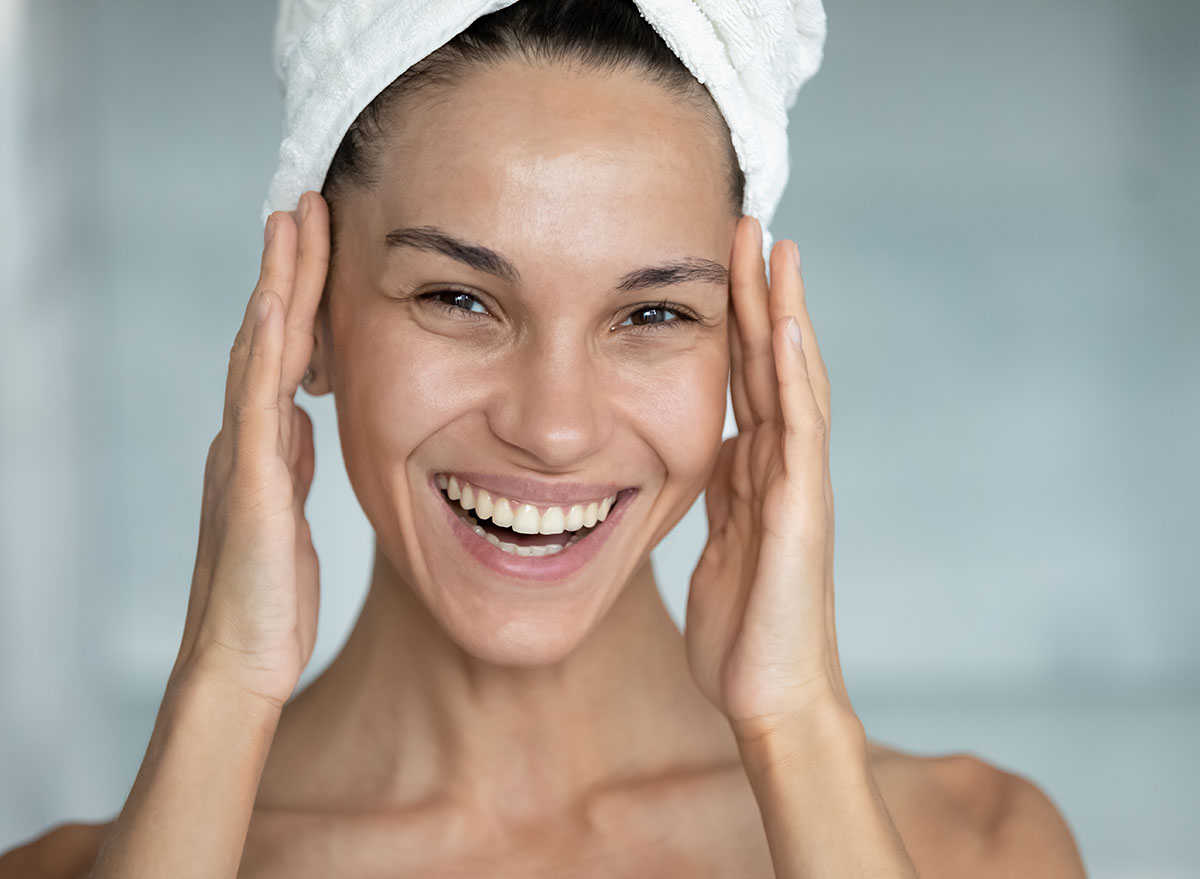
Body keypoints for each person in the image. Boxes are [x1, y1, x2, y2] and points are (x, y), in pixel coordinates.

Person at [2, 1, 1087, 876]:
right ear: (309, 321)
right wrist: (225, 687)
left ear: (745, 349)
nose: (554, 428)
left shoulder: (974, 848)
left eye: (653, 315)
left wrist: (796, 725)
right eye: (460, 299)